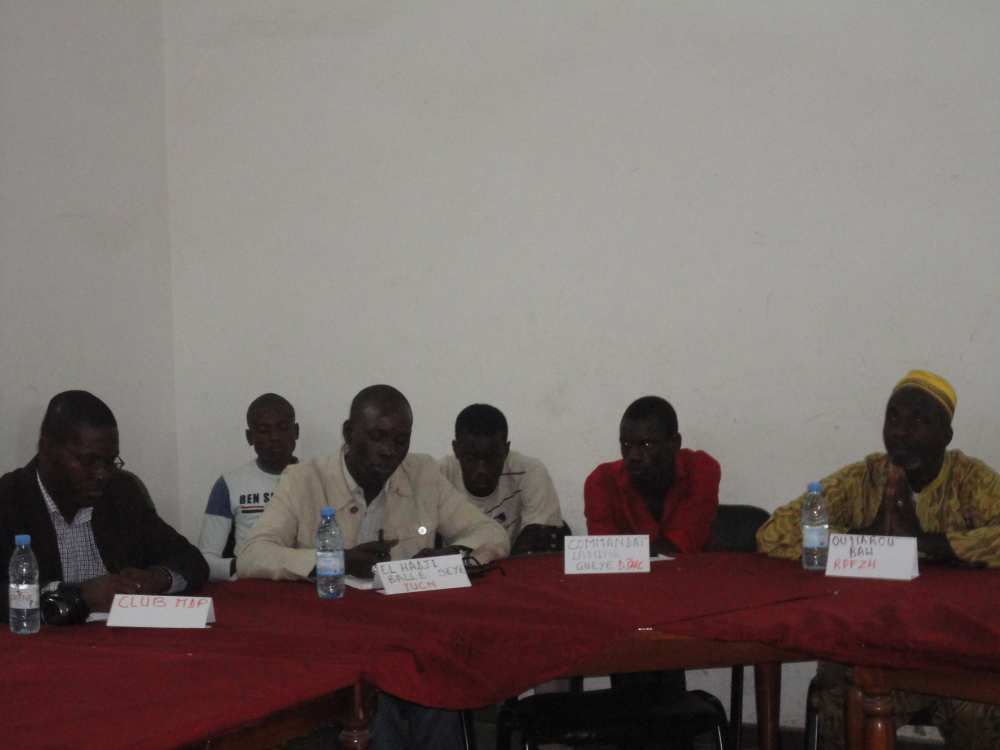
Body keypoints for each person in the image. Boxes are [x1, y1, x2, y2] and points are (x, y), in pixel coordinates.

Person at [238, 384, 509, 750]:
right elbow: (252, 555)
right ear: (349, 433)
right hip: (333, 645)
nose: (389, 450)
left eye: (400, 439)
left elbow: (491, 533)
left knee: (441, 694)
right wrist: (337, 561)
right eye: (378, 437)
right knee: (379, 709)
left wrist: (452, 556)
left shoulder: (423, 474)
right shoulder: (303, 480)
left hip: (408, 641)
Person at [757, 370, 1000, 750]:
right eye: (893, 418)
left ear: (947, 435)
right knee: (840, 694)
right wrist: (865, 539)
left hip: (953, 655)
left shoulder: (971, 481)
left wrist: (927, 545)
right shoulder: (865, 479)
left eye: (919, 421)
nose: (901, 432)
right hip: (874, 650)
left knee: (982, 710)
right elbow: (774, 532)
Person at [0, 390, 208, 624]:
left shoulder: (121, 491)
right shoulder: (8, 499)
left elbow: (191, 560)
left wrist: (159, 578)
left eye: (110, 462)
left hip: (122, 639)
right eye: (88, 461)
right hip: (42, 643)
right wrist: (78, 596)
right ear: (46, 448)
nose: (102, 474)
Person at [583, 395, 722, 726]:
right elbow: (608, 561)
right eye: (626, 444)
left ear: (675, 443)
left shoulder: (702, 470)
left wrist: (632, 554)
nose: (633, 455)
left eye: (646, 444)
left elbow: (681, 546)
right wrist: (642, 555)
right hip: (623, 610)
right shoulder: (601, 481)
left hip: (687, 605)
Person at [197, 393, 299, 581]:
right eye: (264, 431)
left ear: (296, 432)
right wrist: (249, 564)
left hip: (304, 582)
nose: (275, 437)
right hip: (251, 583)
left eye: (283, 428)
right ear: (249, 437)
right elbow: (205, 563)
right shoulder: (229, 484)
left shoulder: (316, 480)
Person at [439, 403, 564, 555]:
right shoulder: (440, 476)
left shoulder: (529, 472)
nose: (481, 470)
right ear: (455, 449)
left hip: (514, 565)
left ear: (506, 450)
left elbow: (541, 537)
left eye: (491, 458)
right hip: (455, 567)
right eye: (471, 458)